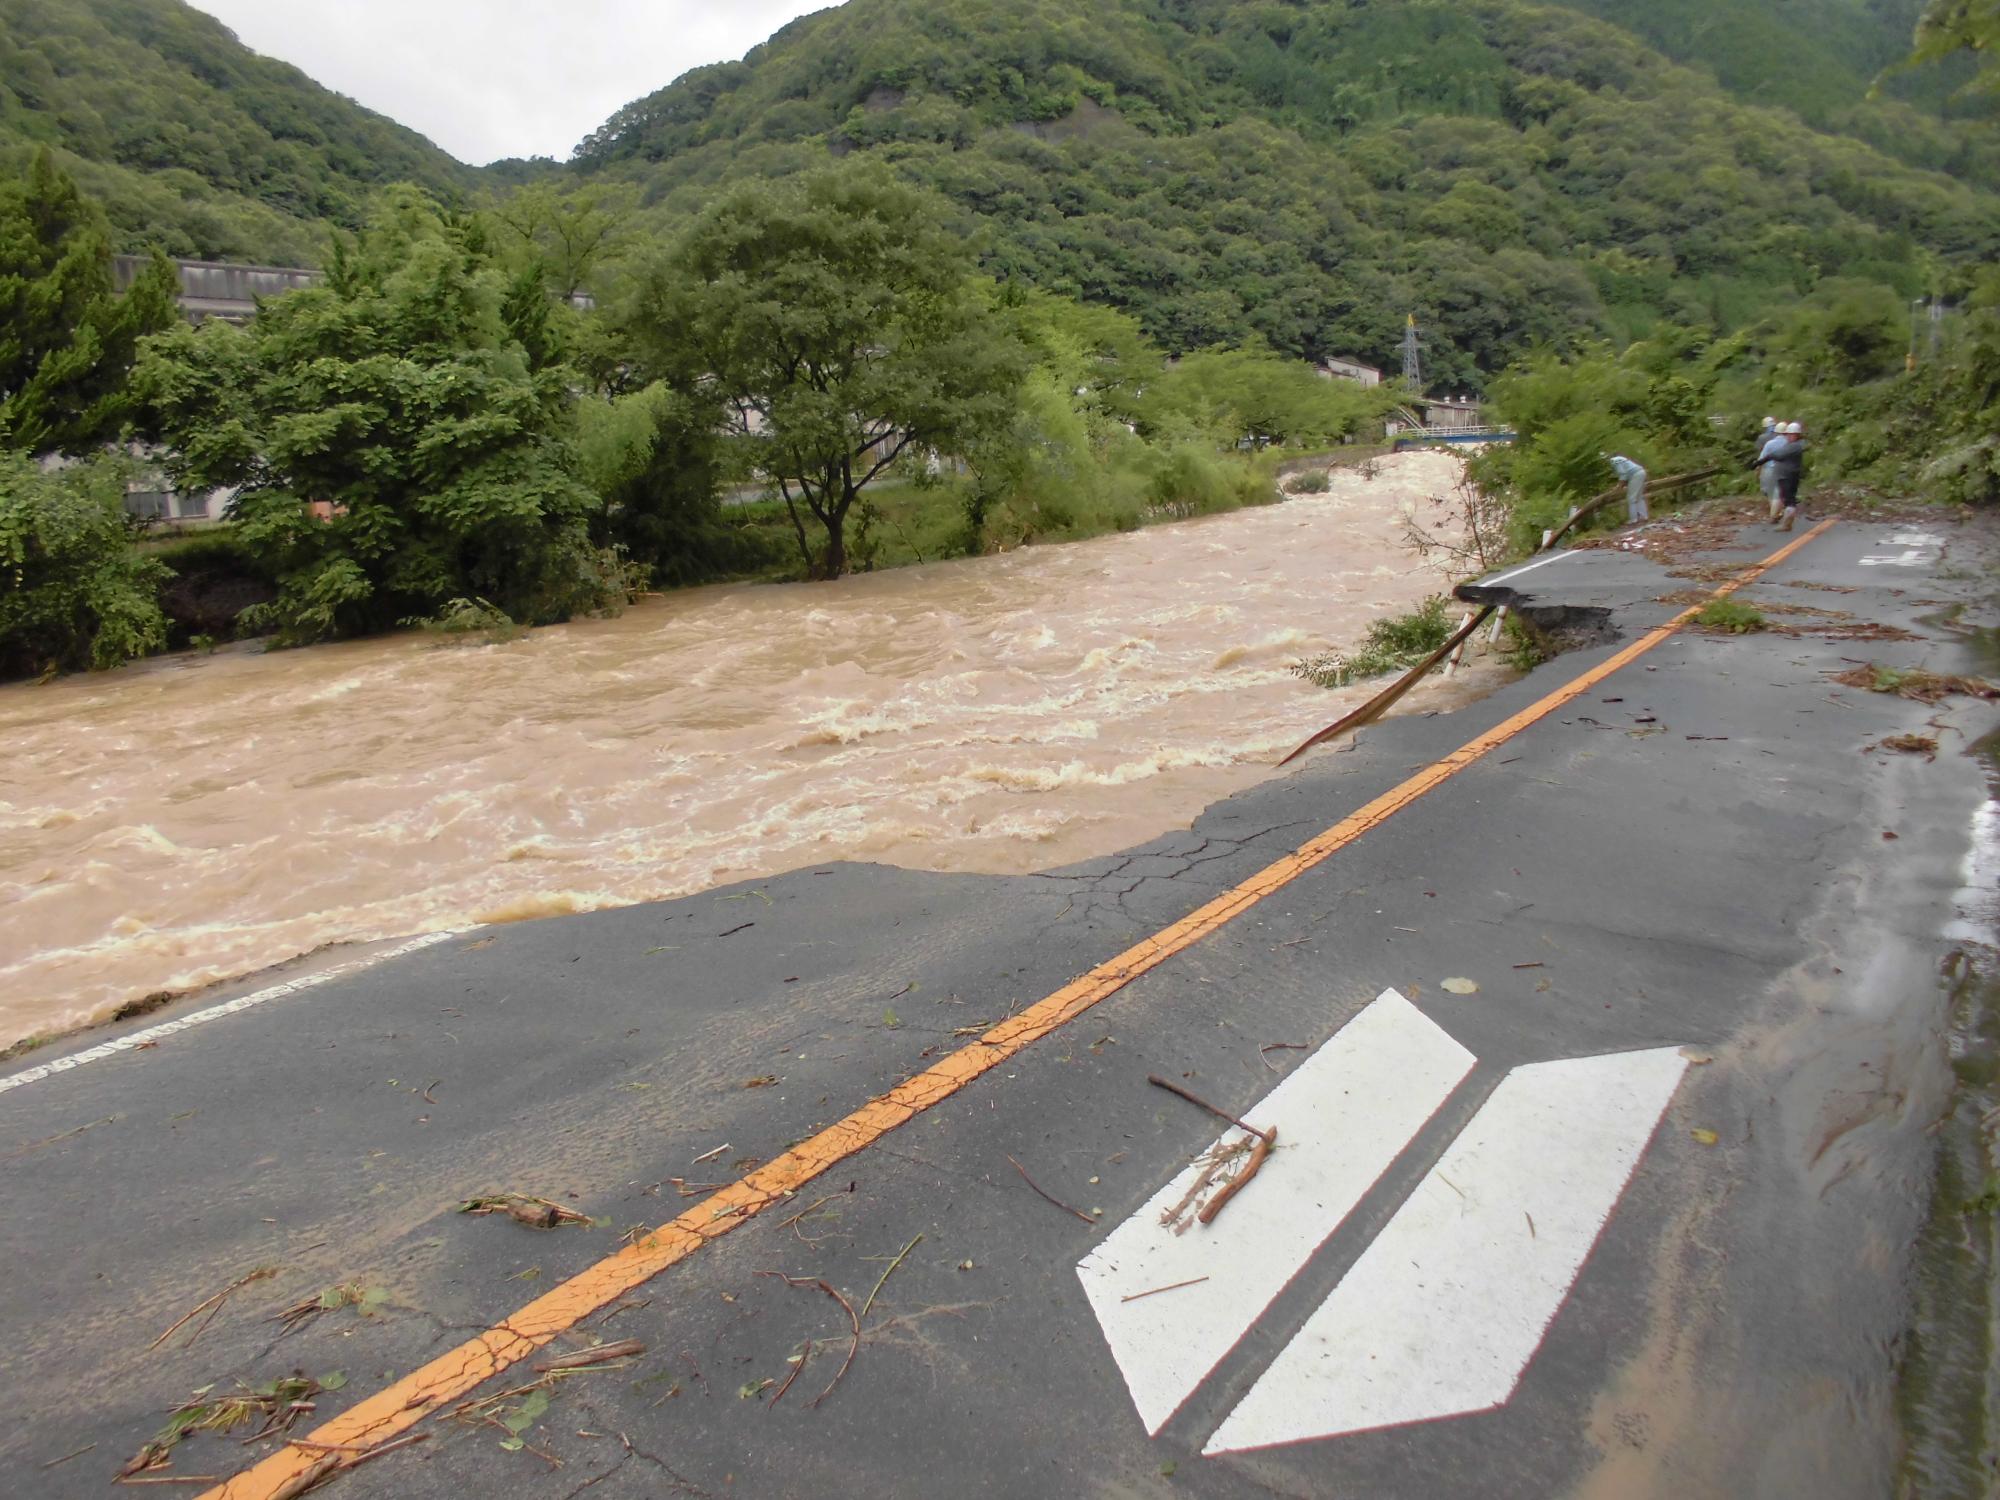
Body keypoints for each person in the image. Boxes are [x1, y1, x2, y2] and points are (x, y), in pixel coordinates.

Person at [1753, 416, 1781, 521]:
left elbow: (1760, 453)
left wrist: (1757, 468)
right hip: (1782, 467)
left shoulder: (1762, 438)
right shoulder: (1783, 437)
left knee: (1769, 490)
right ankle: (1777, 511)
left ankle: (1774, 513)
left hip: (1767, 467)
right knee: (1778, 490)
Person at [1607, 453, 1648, 523]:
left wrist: (1619, 487)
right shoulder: (1620, 458)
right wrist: (1618, 486)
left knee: (1631, 498)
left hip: (1635, 474)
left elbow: (1623, 474)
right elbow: (1626, 475)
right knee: (1639, 497)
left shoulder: (1614, 461)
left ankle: (1634, 519)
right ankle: (1644, 516)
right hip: (1641, 472)